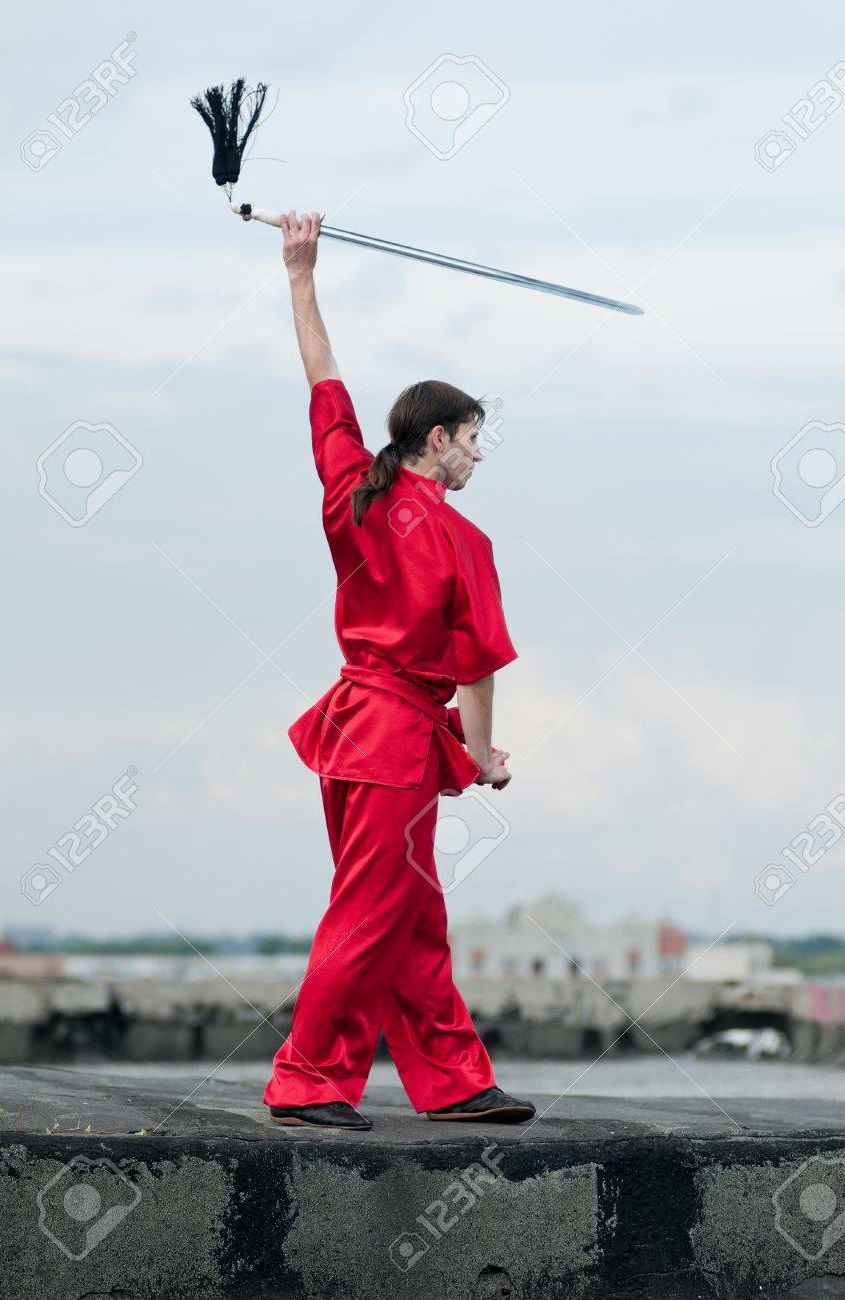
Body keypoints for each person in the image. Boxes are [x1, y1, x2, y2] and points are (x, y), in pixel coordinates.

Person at [264, 210, 535, 1130]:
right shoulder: (462, 539)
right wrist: (485, 754)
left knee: (412, 917)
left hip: (355, 730)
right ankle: (306, 1081)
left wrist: (300, 273)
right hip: (392, 739)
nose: (476, 455)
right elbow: (477, 666)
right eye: (471, 437)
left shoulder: (352, 488)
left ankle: (455, 1082)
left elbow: (324, 383)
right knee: (372, 914)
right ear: (440, 437)